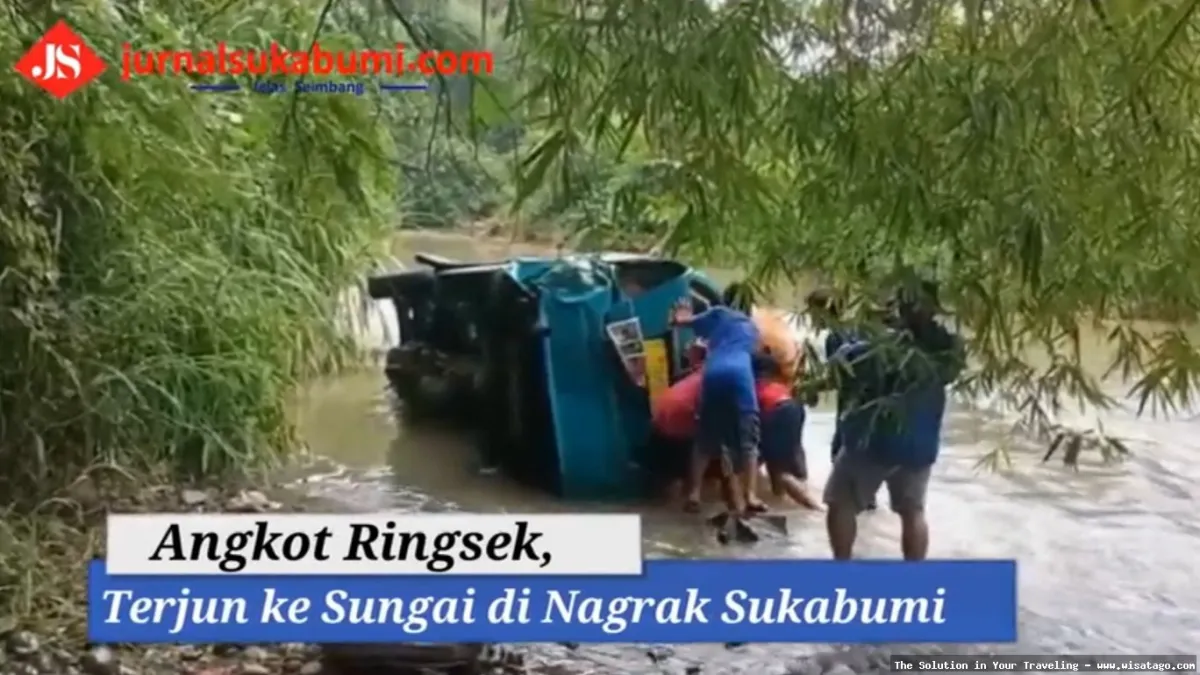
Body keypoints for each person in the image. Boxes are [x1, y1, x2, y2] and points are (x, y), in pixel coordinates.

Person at [822, 280, 964, 560]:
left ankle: (842, 568)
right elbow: (949, 374)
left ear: (900, 305)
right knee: (913, 511)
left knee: (841, 503)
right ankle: (913, 577)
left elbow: (844, 365)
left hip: (873, 440)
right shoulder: (949, 347)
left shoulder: (884, 342)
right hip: (920, 444)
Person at [649, 350, 821, 511]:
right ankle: (786, 497)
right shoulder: (769, 385)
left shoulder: (720, 380)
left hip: (668, 427)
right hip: (793, 408)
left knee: (763, 468)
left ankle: (813, 507)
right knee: (782, 461)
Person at [668, 282, 762, 530]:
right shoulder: (753, 328)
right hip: (741, 376)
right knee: (749, 441)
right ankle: (751, 494)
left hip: (714, 374)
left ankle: (694, 493)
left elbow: (683, 322)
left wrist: (680, 318)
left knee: (705, 440)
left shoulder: (718, 313)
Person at [804, 288, 877, 510]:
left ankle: (855, 518)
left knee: (841, 455)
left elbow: (839, 378)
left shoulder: (835, 338)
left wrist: (810, 388)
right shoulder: (858, 329)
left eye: (812, 313)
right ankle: (868, 513)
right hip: (872, 403)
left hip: (851, 406)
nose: (811, 319)